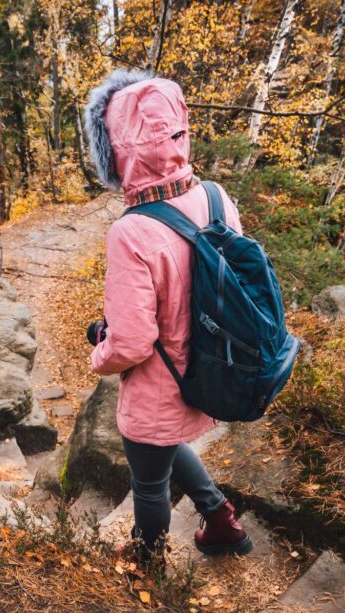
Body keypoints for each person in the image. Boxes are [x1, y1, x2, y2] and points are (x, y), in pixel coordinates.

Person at [82, 69, 253, 568]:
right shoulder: (216, 197)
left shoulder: (132, 231)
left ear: (116, 151)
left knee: (149, 480)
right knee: (164, 446)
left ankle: (147, 562)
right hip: (211, 367)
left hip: (160, 385)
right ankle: (221, 522)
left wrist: (100, 353)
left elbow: (132, 343)